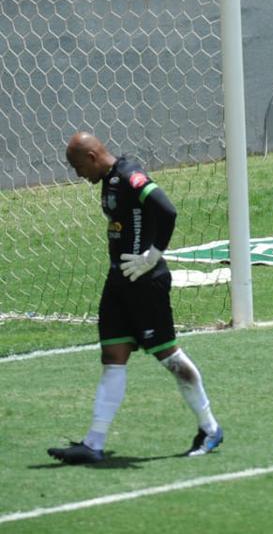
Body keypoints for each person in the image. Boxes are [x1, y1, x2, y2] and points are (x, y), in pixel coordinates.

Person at [48, 131, 224, 464]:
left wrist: (153, 255)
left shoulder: (130, 176)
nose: (77, 175)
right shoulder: (109, 180)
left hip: (146, 282)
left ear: (92, 157)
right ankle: (93, 444)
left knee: (169, 357)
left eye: (77, 167)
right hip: (119, 281)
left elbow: (167, 211)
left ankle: (210, 428)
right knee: (113, 354)